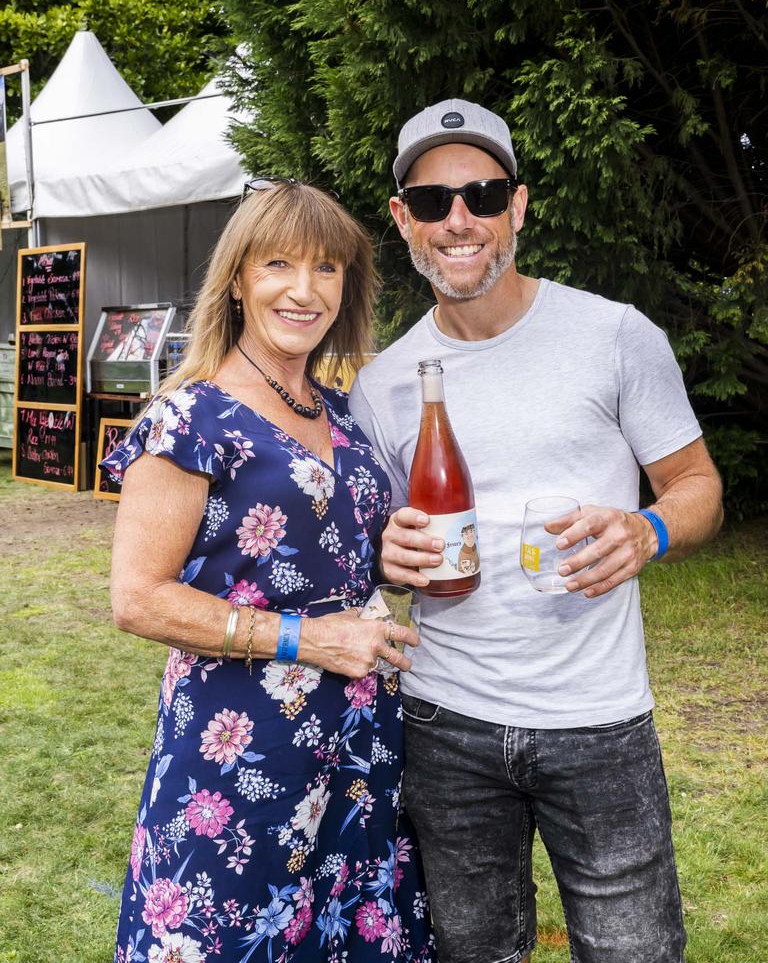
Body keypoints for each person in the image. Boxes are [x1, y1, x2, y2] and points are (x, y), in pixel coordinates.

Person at [349, 99, 724, 963]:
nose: (460, 220)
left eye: (482, 194)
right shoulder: (384, 384)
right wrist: (385, 557)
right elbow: (375, 552)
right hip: (446, 724)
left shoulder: (616, 336)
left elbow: (698, 484)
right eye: (434, 202)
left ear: (517, 206)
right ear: (404, 219)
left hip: (600, 722)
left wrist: (649, 530)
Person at [100, 179, 436, 963]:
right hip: (238, 748)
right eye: (278, 264)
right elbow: (137, 599)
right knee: (233, 937)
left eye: (326, 268)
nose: (302, 289)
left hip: (360, 742)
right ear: (239, 278)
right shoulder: (191, 416)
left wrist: (401, 554)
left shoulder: (342, 412)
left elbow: (340, 550)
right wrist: (307, 639)